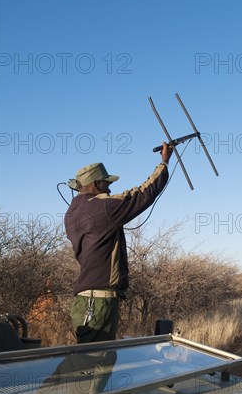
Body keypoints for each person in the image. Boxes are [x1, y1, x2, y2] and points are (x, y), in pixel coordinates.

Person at [65, 143, 172, 344]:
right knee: (97, 364)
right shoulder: (102, 207)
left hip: (89, 301)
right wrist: (164, 162)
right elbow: (143, 193)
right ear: (96, 185)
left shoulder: (72, 212)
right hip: (97, 303)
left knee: (90, 363)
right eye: (106, 183)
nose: (110, 187)